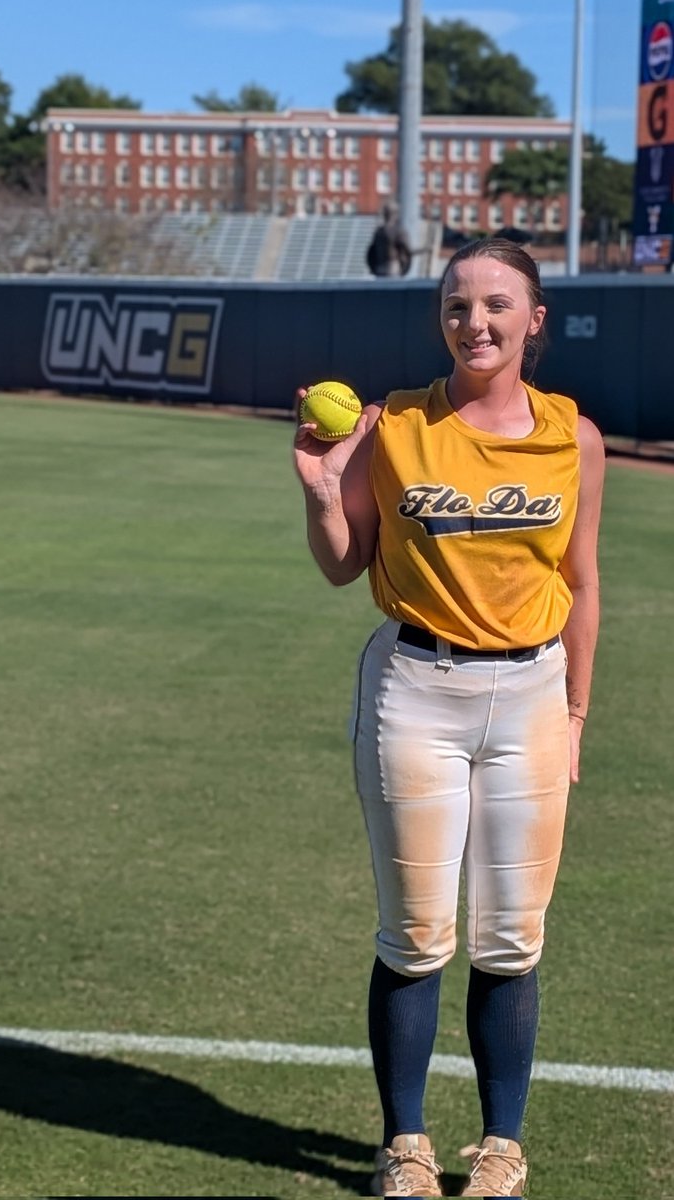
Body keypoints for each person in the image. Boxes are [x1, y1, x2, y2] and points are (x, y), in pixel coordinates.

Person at [292, 237, 605, 1198]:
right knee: (417, 933)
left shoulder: (575, 439)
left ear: (534, 319)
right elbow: (346, 562)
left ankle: (501, 1148)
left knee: (513, 936)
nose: (477, 321)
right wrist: (318, 494)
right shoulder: (393, 428)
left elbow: (582, 583)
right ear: (442, 319)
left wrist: (579, 712)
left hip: (533, 698)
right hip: (417, 691)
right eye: (458, 305)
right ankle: (407, 1147)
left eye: (498, 304)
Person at [367, 203, 413, 277]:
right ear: (395, 214)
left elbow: (370, 253)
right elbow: (406, 251)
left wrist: (373, 268)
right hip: (392, 269)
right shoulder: (398, 231)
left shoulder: (378, 232)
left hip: (379, 269)